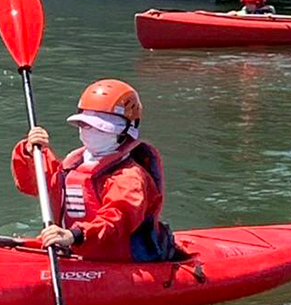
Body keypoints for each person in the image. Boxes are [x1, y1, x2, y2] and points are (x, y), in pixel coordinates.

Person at [10, 79, 177, 262]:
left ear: (123, 132)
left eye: (100, 128)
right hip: (73, 248)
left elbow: (118, 219)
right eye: (85, 125)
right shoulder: (75, 163)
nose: (90, 131)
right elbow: (35, 185)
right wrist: (32, 152)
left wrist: (75, 235)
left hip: (115, 260)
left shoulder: (129, 177)